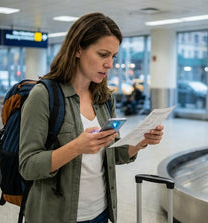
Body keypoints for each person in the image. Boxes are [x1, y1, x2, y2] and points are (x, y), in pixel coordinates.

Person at [19, 12, 164, 223]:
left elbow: (114, 154)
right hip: (56, 215)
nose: (110, 64)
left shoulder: (104, 98)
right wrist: (76, 147)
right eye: (103, 54)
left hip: (100, 213)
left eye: (113, 56)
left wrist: (142, 141)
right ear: (78, 49)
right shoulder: (44, 96)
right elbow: (27, 166)